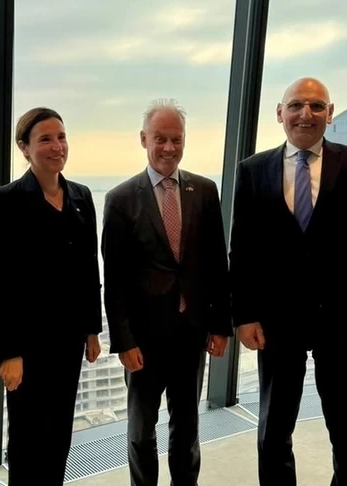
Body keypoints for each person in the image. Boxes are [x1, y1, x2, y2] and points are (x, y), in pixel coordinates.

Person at [228, 77, 347, 486]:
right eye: (296, 105)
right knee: (273, 431)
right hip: (277, 322)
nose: (306, 114)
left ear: (330, 113)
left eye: (317, 106)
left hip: (345, 323)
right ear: (280, 113)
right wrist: (244, 315)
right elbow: (243, 252)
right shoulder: (252, 170)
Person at [101, 98, 232, 486]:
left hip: (191, 334)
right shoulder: (121, 199)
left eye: (177, 139)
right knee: (141, 431)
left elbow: (217, 264)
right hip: (143, 340)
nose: (169, 148)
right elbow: (115, 279)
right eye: (160, 138)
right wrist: (123, 341)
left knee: (187, 427)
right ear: (144, 139)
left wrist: (220, 325)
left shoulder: (204, 191)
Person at [0, 107, 102, 485]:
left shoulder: (81, 196)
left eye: (61, 137)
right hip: (27, 345)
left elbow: (89, 267)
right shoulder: (6, 200)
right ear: (24, 147)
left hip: (69, 340)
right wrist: (9, 352)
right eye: (45, 139)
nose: (57, 146)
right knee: (27, 439)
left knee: (59, 435)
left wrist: (92, 329)